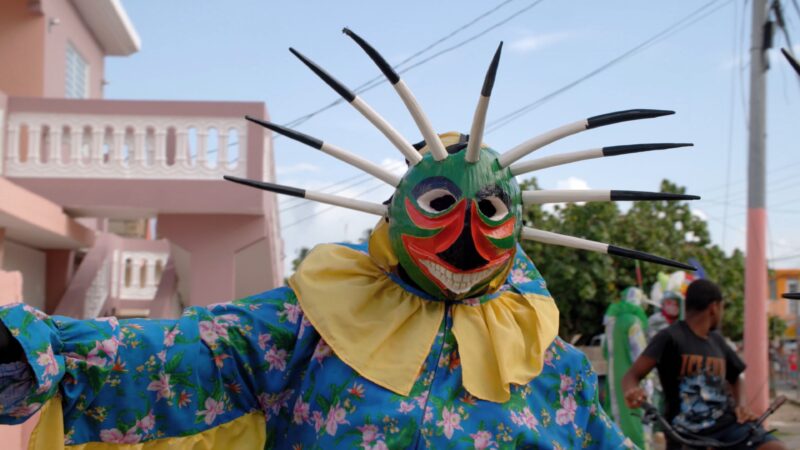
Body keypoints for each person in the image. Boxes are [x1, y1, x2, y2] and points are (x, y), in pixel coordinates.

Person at [0, 30, 697, 448]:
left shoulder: (544, 351)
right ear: (396, 211)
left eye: (487, 210)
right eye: (439, 203)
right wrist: (37, 352)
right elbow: (179, 358)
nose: (462, 233)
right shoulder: (311, 323)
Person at [622, 279, 787, 450]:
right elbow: (631, 376)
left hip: (727, 426)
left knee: (774, 447)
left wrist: (741, 405)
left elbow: (736, 377)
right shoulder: (670, 337)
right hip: (685, 433)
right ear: (714, 307)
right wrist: (632, 391)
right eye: (722, 308)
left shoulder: (717, 341)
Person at [603, 287, 651, 449]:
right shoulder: (633, 322)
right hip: (631, 383)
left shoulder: (611, 322)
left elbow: (605, 351)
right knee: (635, 424)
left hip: (613, 382)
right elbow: (641, 355)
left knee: (616, 424)